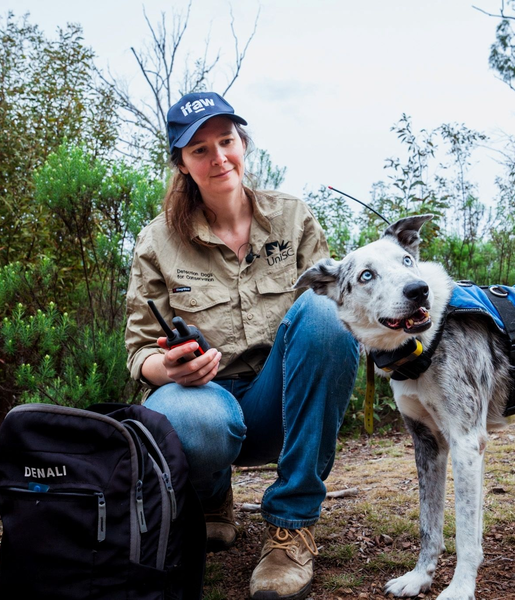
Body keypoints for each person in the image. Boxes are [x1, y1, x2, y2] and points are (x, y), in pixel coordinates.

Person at [124, 91, 359, 600]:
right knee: (190, 418)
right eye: (200, 150)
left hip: (282, 402)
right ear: (182, 164)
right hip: (205, 400)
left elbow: (339, 317)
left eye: (226, 141)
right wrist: (167, 368)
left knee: (327, 310)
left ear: (243, 143)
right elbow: (139, 351)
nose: (218, 158)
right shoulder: (155, 241)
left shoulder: (293, 218)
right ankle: (210, 500)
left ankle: (291, 527)